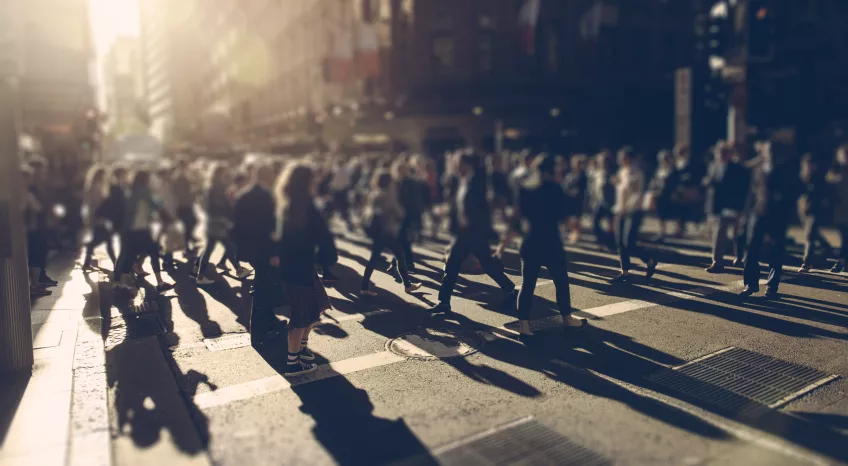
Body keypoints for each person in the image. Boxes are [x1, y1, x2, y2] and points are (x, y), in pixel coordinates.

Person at [496, 155, 587, 343]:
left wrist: (503, 244)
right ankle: (567, 319)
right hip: (551, 241)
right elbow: (566, 216)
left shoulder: (524, 188)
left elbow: (516, 218)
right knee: (561, 281)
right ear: (553, 170)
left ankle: (524, 327)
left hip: (529, 242)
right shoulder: (555, 188)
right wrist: (576, 229)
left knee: (527, 284)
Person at [270, 163, 337, 376]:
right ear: (307, 182)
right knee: (301, 315)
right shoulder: (305, 205)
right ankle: (293, 361)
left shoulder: (287, 204)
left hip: (295, 266)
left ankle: (301, 349)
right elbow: (321, 234)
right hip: (299, 267)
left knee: (315, 308)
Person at [429, 152, 517, 314]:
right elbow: (460, 204)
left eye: (458, 162)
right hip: (463, 233)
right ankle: (444, 302)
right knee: (453, 265)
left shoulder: (479, 181)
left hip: (475, 232)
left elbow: (483, 206)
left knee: (486, 264)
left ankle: (511, 290)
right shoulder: (461, 180)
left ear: (467, 164)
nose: (455, 165)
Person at [740, 140, 801, 299]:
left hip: (778, 216)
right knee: (751, 248)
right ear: (764, 152)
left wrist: (785, 207)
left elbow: (794, 192)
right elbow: (751, 194)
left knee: (776, 251)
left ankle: (772, 287)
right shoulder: (758, 170)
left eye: (773, 150)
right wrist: (745, 216)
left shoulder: (785, 170)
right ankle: (750, 284)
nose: (771, 153)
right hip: (757, 214)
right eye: (768, 150)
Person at [233, 161, 281, 347]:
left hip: (251, 249)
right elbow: (268, 228)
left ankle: (270, 321)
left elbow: (236, 227)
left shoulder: (243, 194)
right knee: (263, 290)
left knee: (264, 287)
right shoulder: (265, 197)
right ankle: (260, 330)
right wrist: (273, 253)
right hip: (264, 250)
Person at [360, 170, 422, 296]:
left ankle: (364, 287)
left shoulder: (374, 194)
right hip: (387, 231)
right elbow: (398, 212)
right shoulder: (388, 195)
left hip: (378, 231)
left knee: (377, 259)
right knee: (399, 256)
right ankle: (407, 285)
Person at [112, 170, 172, 293]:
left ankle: (121, 285)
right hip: (140, 229)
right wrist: (166, 212)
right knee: (153, 252)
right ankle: (160, 283)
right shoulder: (144, 191)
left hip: (131, 229)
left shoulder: (132, 190)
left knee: (131, 255)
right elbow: (155, 205)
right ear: (145, 180)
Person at [195, 163, 249, 285]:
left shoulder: (209, 186)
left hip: (212, 221)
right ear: (220, 173)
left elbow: (206, 205)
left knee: (210, 248)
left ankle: (200, 275)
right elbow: (222, 204)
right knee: (230, 246)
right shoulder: (220, 186)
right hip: (220, 222)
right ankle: (238, 270)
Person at [611, 147, 658, 283]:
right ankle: (625, 271)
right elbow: (620, 193)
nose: (620, 160)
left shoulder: (637, 173)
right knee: (620, 241)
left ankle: (649, 260)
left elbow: (638, 193)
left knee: (628, 242)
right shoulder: (621, 172)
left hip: (634, 211)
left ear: (629, 158)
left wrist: (627, 207)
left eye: (623, 157)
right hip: (620, 210)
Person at [703, 142, 749, 273]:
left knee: (737, 235)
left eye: (724, 153)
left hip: (733, 207)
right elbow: (711, 182)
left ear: (729, 154)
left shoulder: (737, 168)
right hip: (718, 207)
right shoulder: (714, 166)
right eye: (719, 153)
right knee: (719, 234)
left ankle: (740, 258)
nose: (721, 155)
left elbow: (742, 189)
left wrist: (740, 208)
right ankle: (717, 262)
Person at [797, 153, 833, 273]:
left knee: (809, 236)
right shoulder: (802, 177)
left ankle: (806, 262)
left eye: (812, 164)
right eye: (807, 164)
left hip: (814, 211)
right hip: (802, 210)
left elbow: (824, 196)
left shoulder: (819, 179)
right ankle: (827, 247)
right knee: (812, 234)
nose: (810, 167)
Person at [21, 165, 51, 296]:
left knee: (34, 257)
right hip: (31, 230)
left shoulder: (26, 192)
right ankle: (34, 285)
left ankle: (34, 284)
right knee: (35, 257)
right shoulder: (25, 193)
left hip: (29, 229)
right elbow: (37, 208)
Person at [81, 165, 117, 271]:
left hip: (97, 216)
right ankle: (116, 264)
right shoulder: (96, 187)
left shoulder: (94, 186)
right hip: (98, 216)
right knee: (107, 239)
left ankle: (87, 262)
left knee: (102, 239)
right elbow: (98, 203)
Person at [646, 150, 680, 240]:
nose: (663, 161)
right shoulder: (659, 170)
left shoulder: (673, 170)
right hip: (659, 195)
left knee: (672, 212)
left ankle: (677, 230)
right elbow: (654, 181)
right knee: (660, 214)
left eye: (665, 159)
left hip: (668, 194)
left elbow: (674, 182)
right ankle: (662, 231)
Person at [172, 156, 199, 256]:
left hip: (185, 204)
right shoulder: (180, 176)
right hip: (184, 204)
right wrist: (193, 193)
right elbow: (182, 192)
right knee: (190, 224)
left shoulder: (181, 175)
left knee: (191, 223)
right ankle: (186, 247)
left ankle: (188, 242)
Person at [589, 150, 616, 250]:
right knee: (595, 223)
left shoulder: (612, 173)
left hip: (610, 202)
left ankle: (610, 244)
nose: (601, 162)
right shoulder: (597, 173)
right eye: (600, 160)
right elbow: (594, 189)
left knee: (611, 226)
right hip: (599, 202)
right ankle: (602, 241)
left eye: (603, 161)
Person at [828, 146, 848, 273]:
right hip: (840, 211)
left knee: (845, 238)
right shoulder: (835, 171)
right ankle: (841, 262)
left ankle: (840, 262)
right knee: (844, 237)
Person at [563, 154, 588, 244]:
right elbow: (565, 186)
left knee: (577, 219)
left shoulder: (583, 176)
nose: (575, 165)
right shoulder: (569, 175)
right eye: (574, 163)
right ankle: (572, 233)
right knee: (569, 219)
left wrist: (572, 192)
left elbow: (582, 189)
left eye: (577, 163)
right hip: (568, 200)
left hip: (578, 200)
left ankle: (576, 235)